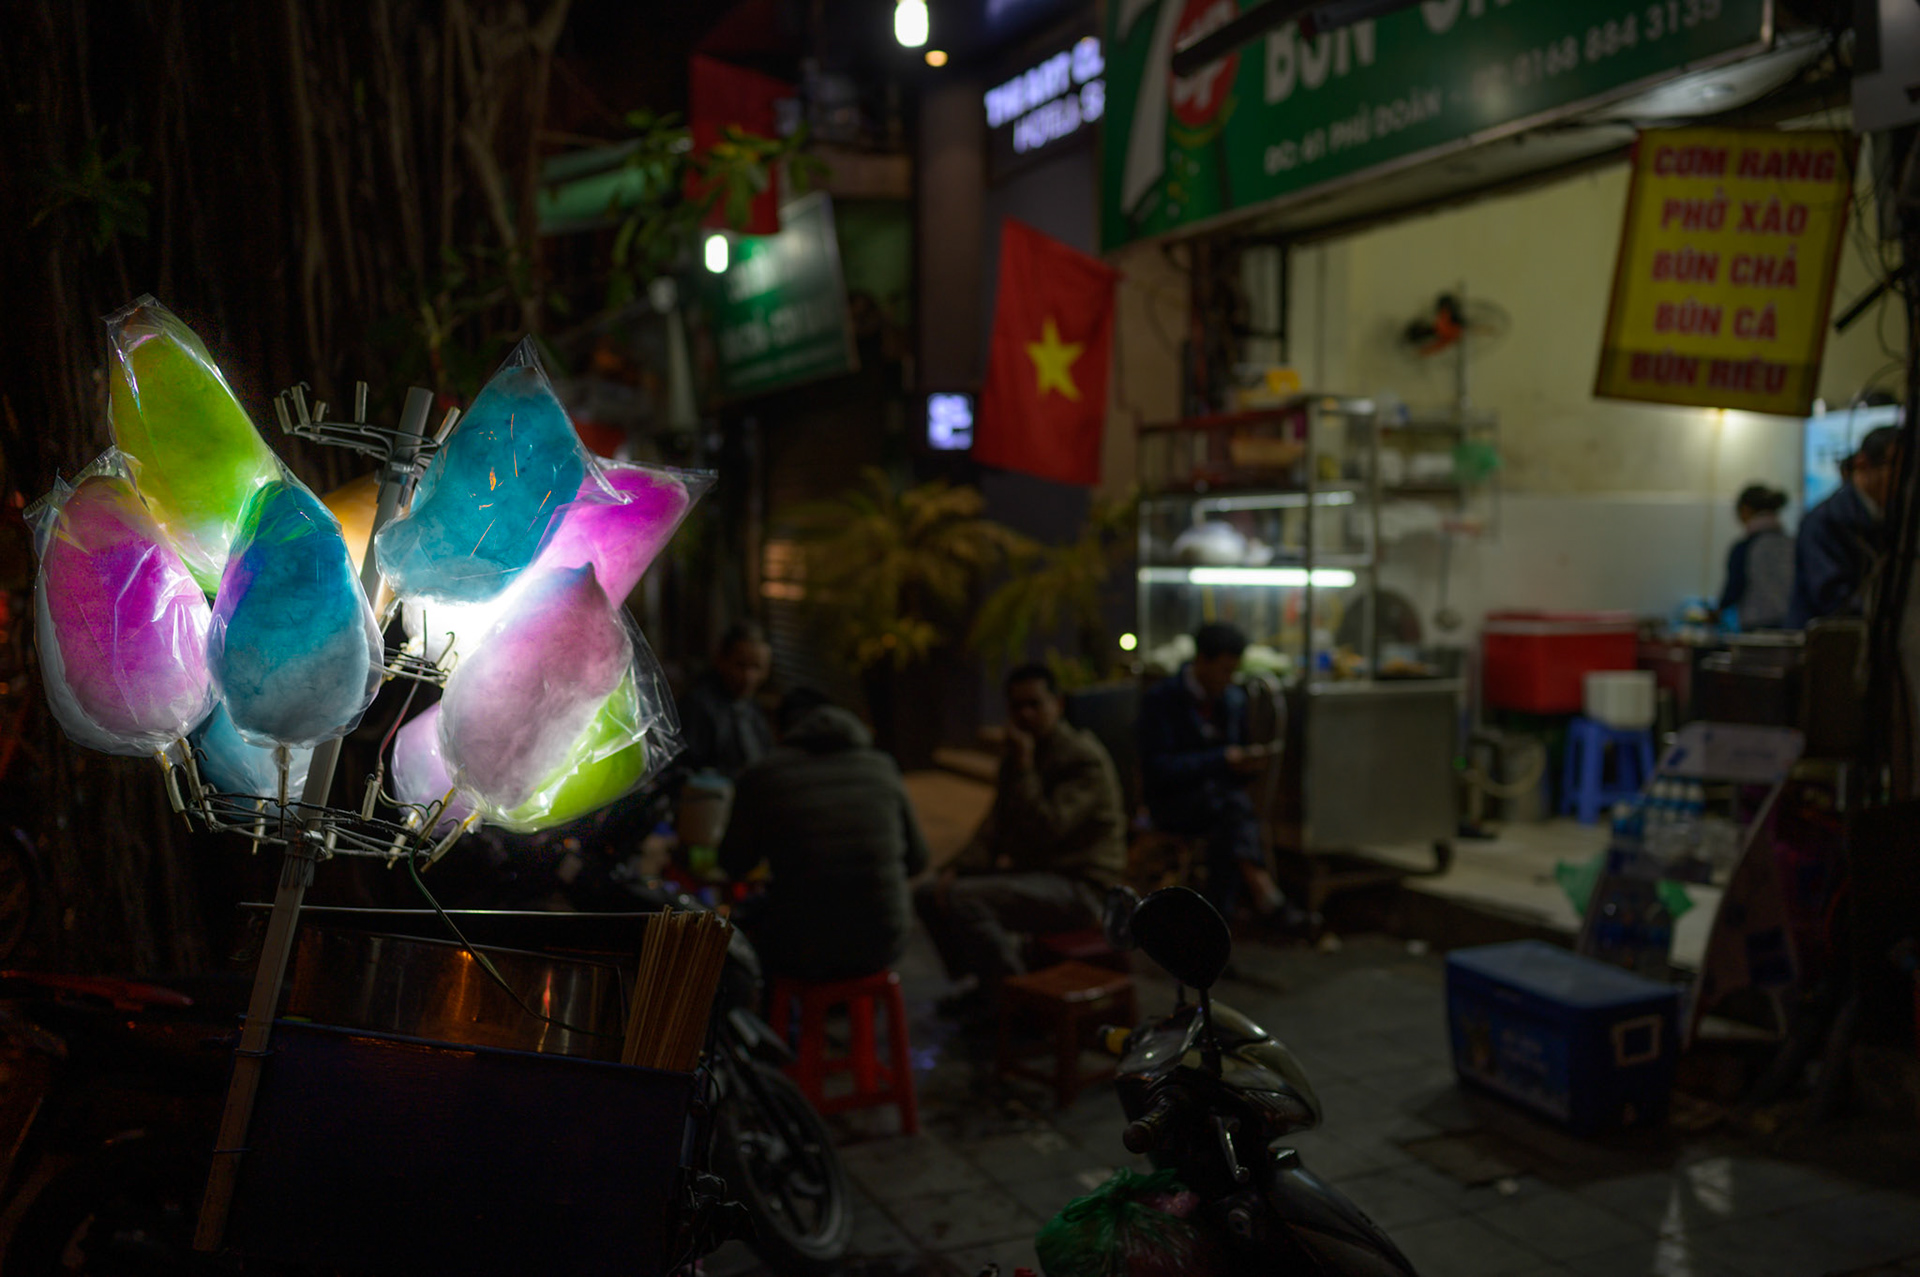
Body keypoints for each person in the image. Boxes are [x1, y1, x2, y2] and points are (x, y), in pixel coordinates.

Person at [915, 663, 1128, 1018]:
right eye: (1017, 707)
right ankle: (988, 986)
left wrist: (1026, 766)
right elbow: (994, 826)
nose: (1025, 714)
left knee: (965, 900)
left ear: (1057, 704)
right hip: (1038, 875)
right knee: (928, 893)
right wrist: (957, 868)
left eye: (1035, 704)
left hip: (1082, 886)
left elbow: (1046, 828)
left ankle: (1017, 1004)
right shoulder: (1020, 755)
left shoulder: (1081, 758)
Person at [719, 688, 930, 983]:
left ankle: (768, 1012)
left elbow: (734, 863)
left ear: (780, 730)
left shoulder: (763, 775)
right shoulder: (883, 767)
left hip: (800, 946)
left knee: (743, 929)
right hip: (885, 941)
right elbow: (918, 861)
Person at [1137, 622, 1295, 925]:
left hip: (1221, 801)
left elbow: (1236, 751)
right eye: (1224, 670)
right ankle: (1259, 894)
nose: (1229, 679)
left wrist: (1247, 764)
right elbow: (1158, 768)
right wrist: (1219, 759)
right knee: (1233, 814)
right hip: (1174, 801)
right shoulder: (1162, 699)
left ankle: (1222, 914)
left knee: (1231, 816)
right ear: (1202, 661)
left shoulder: (1232, 699)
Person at [1788, 425, 1899, 628]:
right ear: (1863, 464)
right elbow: (1831, 597)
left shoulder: (1891, 517)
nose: (1904, 480)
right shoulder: (1825, 520)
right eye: (1895, 467)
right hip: (1827, 641)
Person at [675, 622, 774, 779]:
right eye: (740, 665)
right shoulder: (698, 706)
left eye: (756, 667)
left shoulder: (751, 707)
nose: (748, 677)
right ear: (721, 660)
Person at [1717, 483, 1794, 631]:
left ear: (1745, 510)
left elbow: (1734, 588)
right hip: (1791, 624)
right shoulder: (1792, 544)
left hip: (1756, 626)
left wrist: (1718, 611)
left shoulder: (1745, 547)